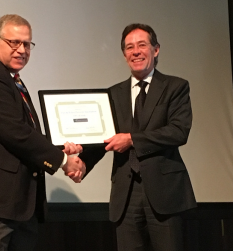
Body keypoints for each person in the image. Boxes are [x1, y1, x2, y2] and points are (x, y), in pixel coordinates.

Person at [0, 14, 85, 251]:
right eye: (14, 42)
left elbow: (23, 131)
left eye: (27, 44)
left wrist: (58, 148)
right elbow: (15, 133)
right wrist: (64, 161)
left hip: (17, 205)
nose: (22, 49)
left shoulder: (12, 80)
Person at [77, 23, 197, 251]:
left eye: (142, 45)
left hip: (164, 194)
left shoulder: (175, 87)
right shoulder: (112, 94)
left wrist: (132, 139)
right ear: (124, 54)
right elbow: (104, 138)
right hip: (126, 194)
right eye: (129, 47)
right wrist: (82, 163)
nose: (136, 51)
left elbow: (178, 131)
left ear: (156, 49)